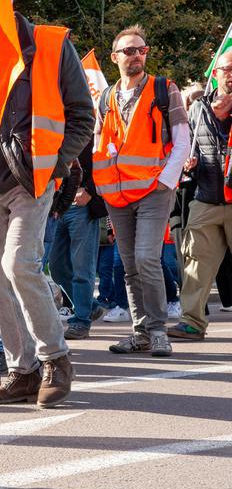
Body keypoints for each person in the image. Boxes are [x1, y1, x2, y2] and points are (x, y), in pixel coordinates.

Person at [0, 14, 94, 408]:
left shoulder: (51, 44)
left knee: (19, 264)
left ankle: (56, 360)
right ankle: (22, 371)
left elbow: (83, 116)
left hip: (30, 178)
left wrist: (55, 167)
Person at [93, 25, 191, 357]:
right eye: (129, 50)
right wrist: (101, 186)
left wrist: (165, 183)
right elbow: (98, 142)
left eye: (141, 50)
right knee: (128, 263)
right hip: (117, 194)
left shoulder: (165, 89)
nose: (136, 55)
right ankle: (140, 332)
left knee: (147, 258)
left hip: (153, 191)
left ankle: (158, 330)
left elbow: (182, 141)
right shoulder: (105, 97)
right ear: (115, 57)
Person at [168, 48, 232, 341]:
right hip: (206, 197)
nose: (230, 75)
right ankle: (192, 322)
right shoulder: (197, 107)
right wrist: (187, 164)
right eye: (226, 70)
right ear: (215, 74)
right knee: (195, 262)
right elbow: (186, 147)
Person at [48, 139, 107, 340]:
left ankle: (81, 321)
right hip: (57, 205)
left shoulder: (88, 127)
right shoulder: (50, 124)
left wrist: (90, 190)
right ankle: (90, 307)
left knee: (83, 268)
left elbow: (106, 161)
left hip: (81, 205)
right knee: (56, 267)